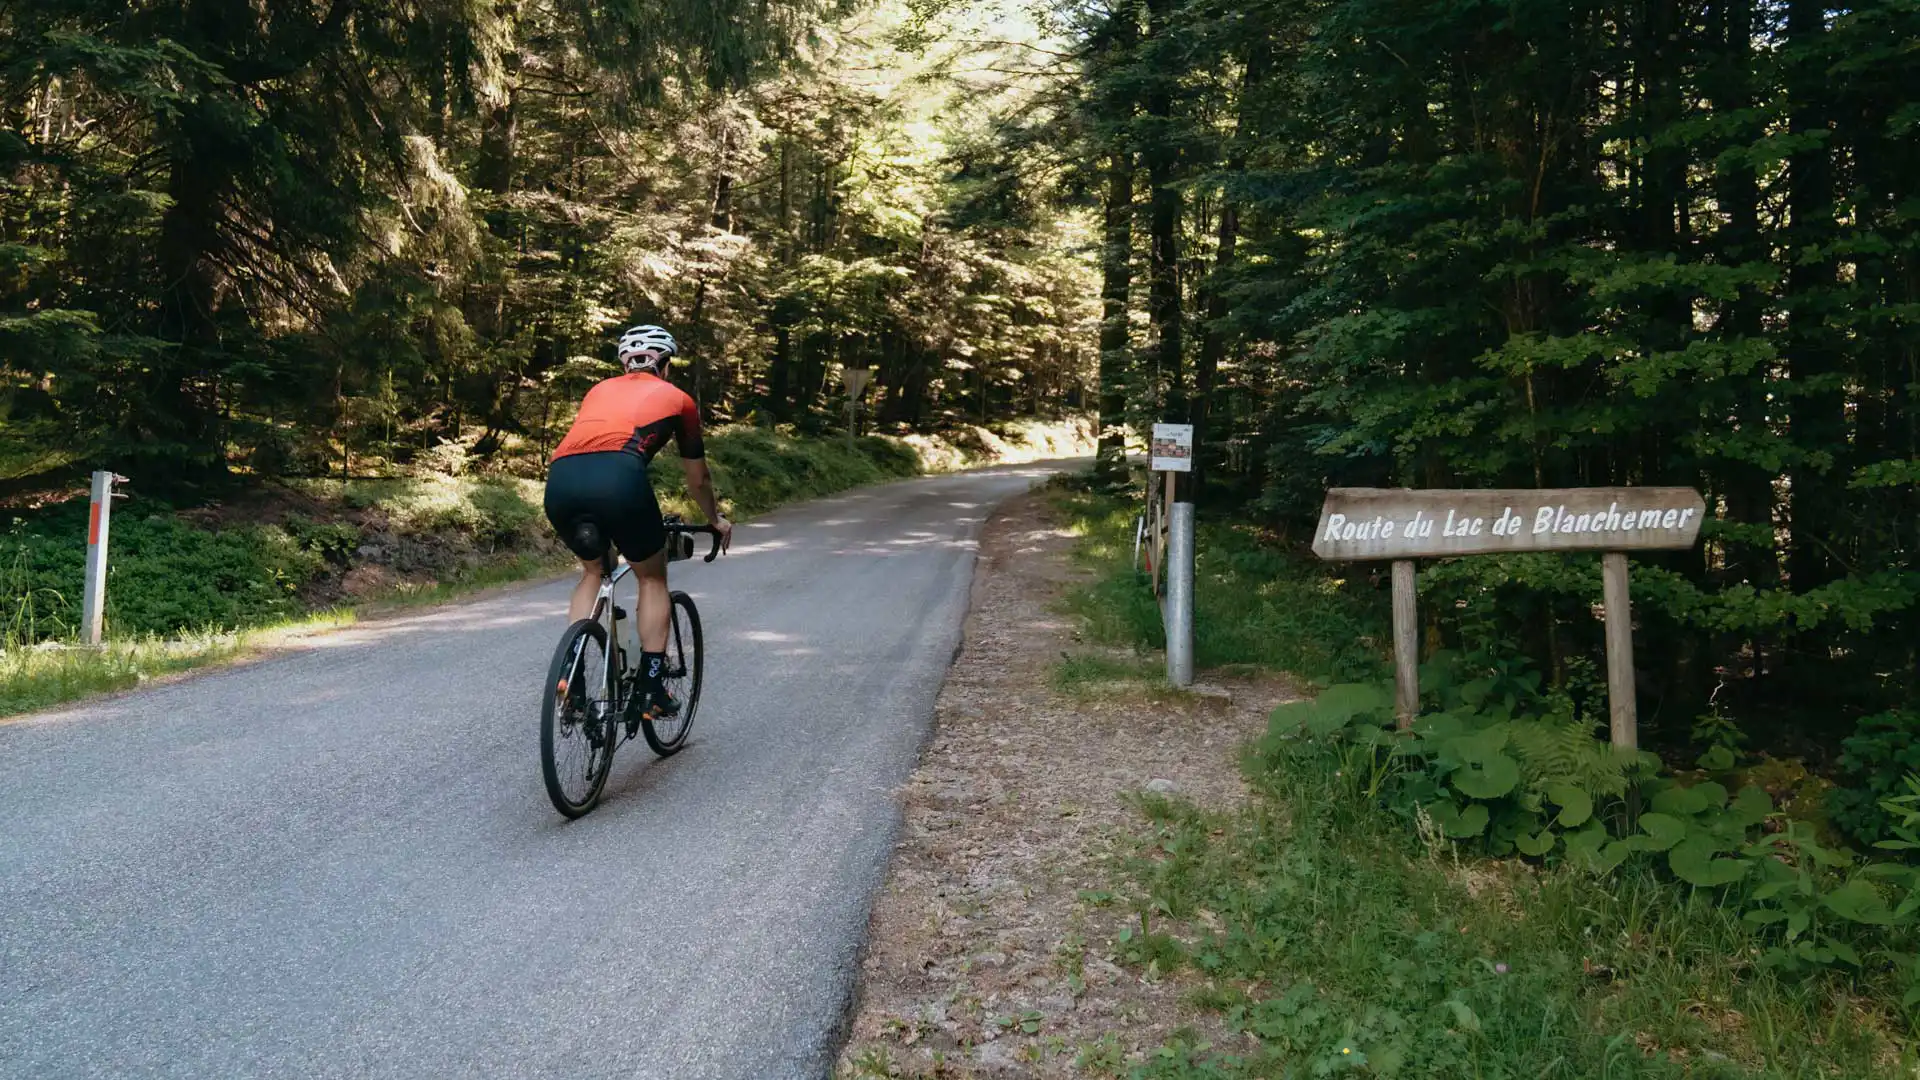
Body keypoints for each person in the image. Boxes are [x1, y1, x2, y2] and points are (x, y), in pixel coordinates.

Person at [543, 324, 731, 718]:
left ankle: (571, 673)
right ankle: (650, 688)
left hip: (560, 480)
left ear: (625, 363)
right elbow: (698, 478)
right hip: (619, 480)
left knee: (594, 572)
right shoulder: (679, 399)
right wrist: (714, 519)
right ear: (665, 363)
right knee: (651, 576)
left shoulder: (598, 390)